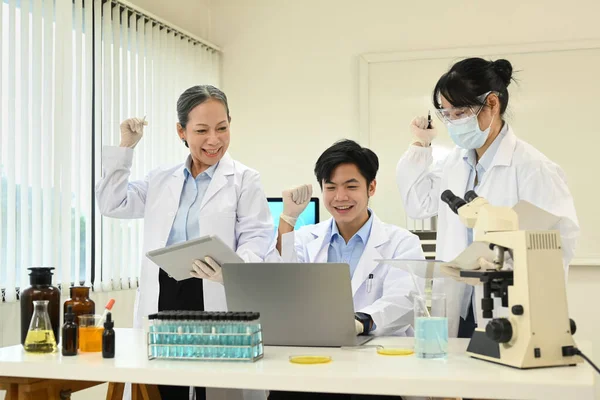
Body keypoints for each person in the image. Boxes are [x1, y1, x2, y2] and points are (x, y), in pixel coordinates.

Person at [95, 85, 274, 400]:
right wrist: (126, 147)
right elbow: (113, 204)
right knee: (164, 387)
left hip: (215, 288)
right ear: (182, 131)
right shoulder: (161, 178)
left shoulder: (245, 179)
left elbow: (257, 237)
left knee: (215, 386)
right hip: (165, 293)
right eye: (202, 130)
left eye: (222, 128)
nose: (214, 139)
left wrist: (232, 270)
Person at [396, 58, 579, 339]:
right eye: (446, 114)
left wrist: (498, 262)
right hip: (461, 306)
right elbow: (418, 204)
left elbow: (556, 244)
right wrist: (422, 145)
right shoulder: (453, 163)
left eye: (460, 112)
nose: (452, 122)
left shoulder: (533, 168)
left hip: (508, 308)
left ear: (492, 104)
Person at [269, 139, 425, 400]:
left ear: (371, 187)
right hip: (317, 360)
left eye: (351, 186)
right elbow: (284, 286)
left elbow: (404, 301)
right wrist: (288, 221)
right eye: (330, 187)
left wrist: (360, 322)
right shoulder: (308, 239)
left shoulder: (402, 242)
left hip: (377, 362)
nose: (340, 197)